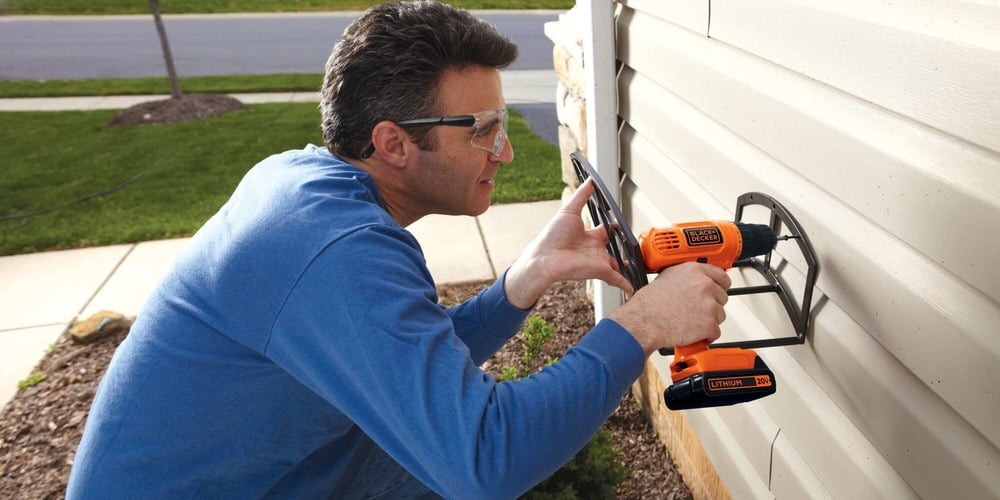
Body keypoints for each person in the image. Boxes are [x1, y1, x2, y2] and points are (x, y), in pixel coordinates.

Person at [66, 2, 731, 498]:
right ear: (393, 144)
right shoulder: (339, 250)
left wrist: (518, 285)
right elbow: (485, 461)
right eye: (484, 131)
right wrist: (641, 324)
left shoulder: (304, 183)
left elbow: (392, 360)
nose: (503, 151)